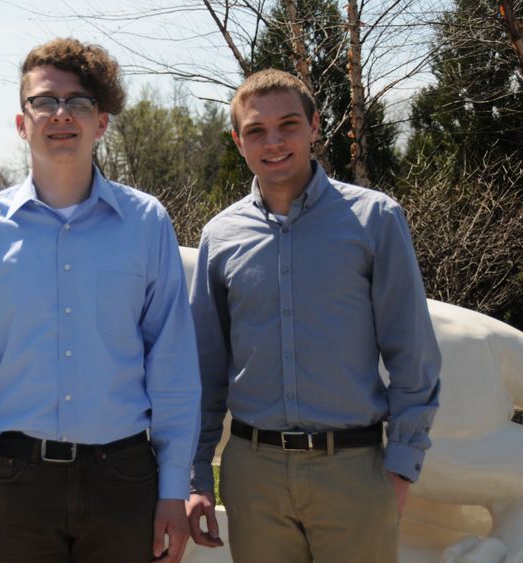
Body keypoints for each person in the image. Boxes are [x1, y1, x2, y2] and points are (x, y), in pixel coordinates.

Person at [0, 37, 201, 563]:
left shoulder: (147, 223)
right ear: (21, 122)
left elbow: (172, 365)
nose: (61, 114)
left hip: (124, 481)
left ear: (101, 122)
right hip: (16, 483)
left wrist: (174, 489)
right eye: (44, 101)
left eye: (78, 101)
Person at [186, 69, 441, 562]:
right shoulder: (220, 237)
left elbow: (412, 353)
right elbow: (204, 371)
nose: (274, 142)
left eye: (288, 125)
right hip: (253, 477)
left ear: (315, 125)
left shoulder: (375, 220)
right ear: (238, 141)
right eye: (256, 131)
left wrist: (402, 466)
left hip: (353, 472)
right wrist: (197, 474)